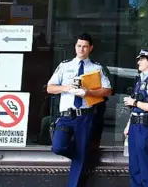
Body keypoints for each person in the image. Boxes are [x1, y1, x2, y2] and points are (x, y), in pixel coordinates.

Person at [46, 33, 113, 187]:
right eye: (78, 46)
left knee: (81, 156)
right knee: (58, 146)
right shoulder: (65, 65)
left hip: (85, 116)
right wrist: (67, 87)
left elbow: (107, 90)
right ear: (75, 47)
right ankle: (83, 157)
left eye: (84, 46)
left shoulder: (96, 68)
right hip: (66, 116)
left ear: (90, 48)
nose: (81, 49)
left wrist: (88, 92)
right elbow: (50, 88)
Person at [123, 48, 148, 187]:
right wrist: (129, 125)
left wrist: (134, 102)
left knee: (146, 167)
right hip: (136, 125)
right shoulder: (140, 80)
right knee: (134, 167)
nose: (138, 62)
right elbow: (136, 108)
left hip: (145, 126)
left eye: (142, 59)